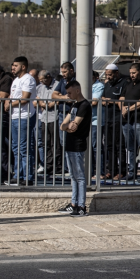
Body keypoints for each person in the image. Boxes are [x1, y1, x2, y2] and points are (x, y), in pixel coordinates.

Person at [58, 80, 92, 217]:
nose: (68, 95)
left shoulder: (84, 105)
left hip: (78, 144)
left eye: (70, 92)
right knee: (73, 176)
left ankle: (81, 205)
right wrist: (67, 126)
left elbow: (74, 126)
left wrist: (68, 126)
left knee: (80, 176)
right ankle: (73, 204)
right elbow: (64, 125)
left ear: (77, 90)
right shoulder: (73, 105)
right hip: (69, 144)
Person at [7, 56, 37, 186]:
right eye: (13, 65)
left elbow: (25, 99)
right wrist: (9, 101)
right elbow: (13, 96)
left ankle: (27, 176)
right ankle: (18, 174)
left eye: (16, 65)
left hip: (25, 116)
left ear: (23, 66)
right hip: (14, 116)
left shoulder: (28, 79)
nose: (13, 68)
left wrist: (10, 104)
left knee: (24, 147)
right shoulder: (15, 80)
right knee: (15, 147)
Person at [120, 63, 140, 182]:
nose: (132, 75)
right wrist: (123, 107)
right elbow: (122, 97)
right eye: (131, 73)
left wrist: (128, 109)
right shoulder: (128, 83)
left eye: (134, 73)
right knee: (130, 148)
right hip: (127, 120)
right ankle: (132, 172)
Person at [101, 64, 128, 181]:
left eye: (110, 75)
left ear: (116, 73)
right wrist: (111, 101)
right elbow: (102, 100)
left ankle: (121, 171)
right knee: (109, 146)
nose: (108, 77)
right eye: (107, 75)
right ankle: (112, 171)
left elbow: (121, 101)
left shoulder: (123, 84)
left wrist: (110, 101)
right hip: (108, 118)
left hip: (118, 119)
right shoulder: (107, 85)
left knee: (119, 146)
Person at [36, 70, 62, 177]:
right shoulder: (41, 87)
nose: (42, 82)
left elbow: (57, 100)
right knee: (45, 142)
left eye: (43, 80)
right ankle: (48, 165)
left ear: (48, 77)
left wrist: (47, 104)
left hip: (54, 117)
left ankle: (57, 166)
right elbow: (38, 99)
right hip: (44, 118)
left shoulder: (57, 85)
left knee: (54, 143)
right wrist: (43, 104)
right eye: (40, 81)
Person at [91, 71, 105, 176]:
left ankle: (100, 171)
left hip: (96, 121)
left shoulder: (99, 85)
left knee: (96, 147)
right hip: (86, 120)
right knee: (89, 148)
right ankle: (90, 171)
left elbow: (94, 101)